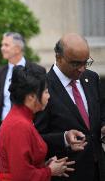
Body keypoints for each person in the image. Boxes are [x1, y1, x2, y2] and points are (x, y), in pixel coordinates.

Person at [35, 33, 105, 181]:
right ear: (58, 58)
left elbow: (100, 114)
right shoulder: (43, 87)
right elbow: (35, 137)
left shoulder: (91, 78)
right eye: (75, 64)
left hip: (98, 169)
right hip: (67, 173)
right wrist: (64, 138)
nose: (81, 69)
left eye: (86, 62)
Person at [0, 64, 75, 181]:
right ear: (31, 96)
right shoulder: (19, 125)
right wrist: (50, 170)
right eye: (46, 92)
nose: (48, 96)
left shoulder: (23, 118)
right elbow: (21, 176)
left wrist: (45, 166)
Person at [0, 32, 36, 144]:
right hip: (2, 132)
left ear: (17, 49)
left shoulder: (35, 71)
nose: (2, 48)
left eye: (6, 45)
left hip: (26, 131)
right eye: (2, 45)